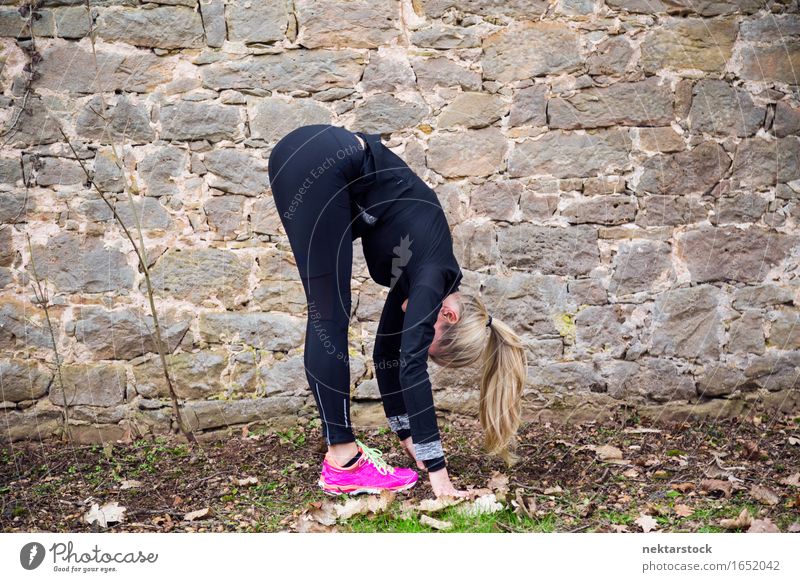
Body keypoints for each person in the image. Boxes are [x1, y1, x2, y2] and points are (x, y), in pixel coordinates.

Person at [267, 124, 528, 498]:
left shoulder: (422, 273)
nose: (416, 334)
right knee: (328, 315)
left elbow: (386, 353)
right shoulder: (432, 277)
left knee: (328, 312)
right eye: (427, 339)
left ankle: (344, 458)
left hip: (308, 156)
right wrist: (440, 476)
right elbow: (409, 363)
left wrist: (409, 438)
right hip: (320, 161)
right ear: (449, 317)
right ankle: (344, 462)